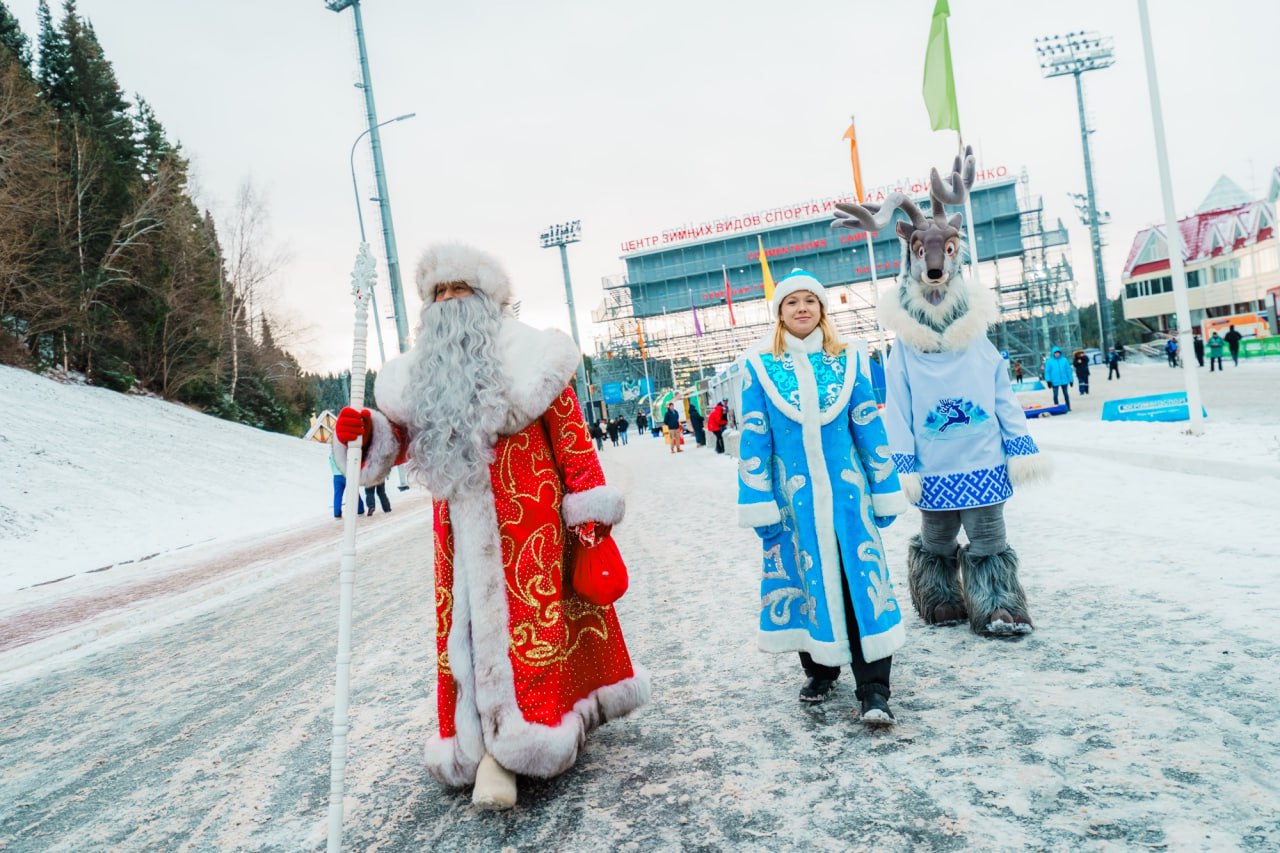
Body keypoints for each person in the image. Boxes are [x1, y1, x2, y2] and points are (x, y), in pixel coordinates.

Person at [332, 243, 647, 810]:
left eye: (461, 290)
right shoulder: (416, 377)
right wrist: (364, 433)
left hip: (535, 532)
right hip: (459, 536)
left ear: (489, 300)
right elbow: (394, 442)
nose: (449, 303)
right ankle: (484, 746)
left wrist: (590, 518)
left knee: (535, 632)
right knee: (470, 635)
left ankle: (522, 743)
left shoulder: (536, 358)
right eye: (438, 293)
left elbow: (572, 439)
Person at [737, 270, 907, 726]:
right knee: (809, 586)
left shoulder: (849, 360)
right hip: (796, 508)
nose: (802, 309)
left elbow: (869, 426)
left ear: (823, 309)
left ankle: (874, 690)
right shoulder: (758, 367)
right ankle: (820, 669)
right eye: (791, 302)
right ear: (779, 313)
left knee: (859, 586)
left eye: (810, 301)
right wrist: (758, 502)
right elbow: (754, 441)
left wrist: (885, 488)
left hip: (850, 502)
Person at [330, 453, 364, 518]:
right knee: (354, 492)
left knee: (337, 495)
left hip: (336, 476)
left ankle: (337, 513)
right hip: (347, 475)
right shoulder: (345, 453)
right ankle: (360, 509)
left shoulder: (331, 454)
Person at [1043, 347, 1073, 411]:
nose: (1057, 354)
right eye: (1055, 353)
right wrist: (1048, 381)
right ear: (1053, 354)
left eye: (1058, 353)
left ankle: (1068, 406)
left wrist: (1071, 380)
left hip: (1064, 380)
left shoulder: (1064, 360)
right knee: (1055, 394)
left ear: (1060, 353)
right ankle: (1056, 407)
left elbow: (1068, 370)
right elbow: (1047, 372)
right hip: (1054, 381)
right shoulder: (1049, 361)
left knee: (1066, 394)